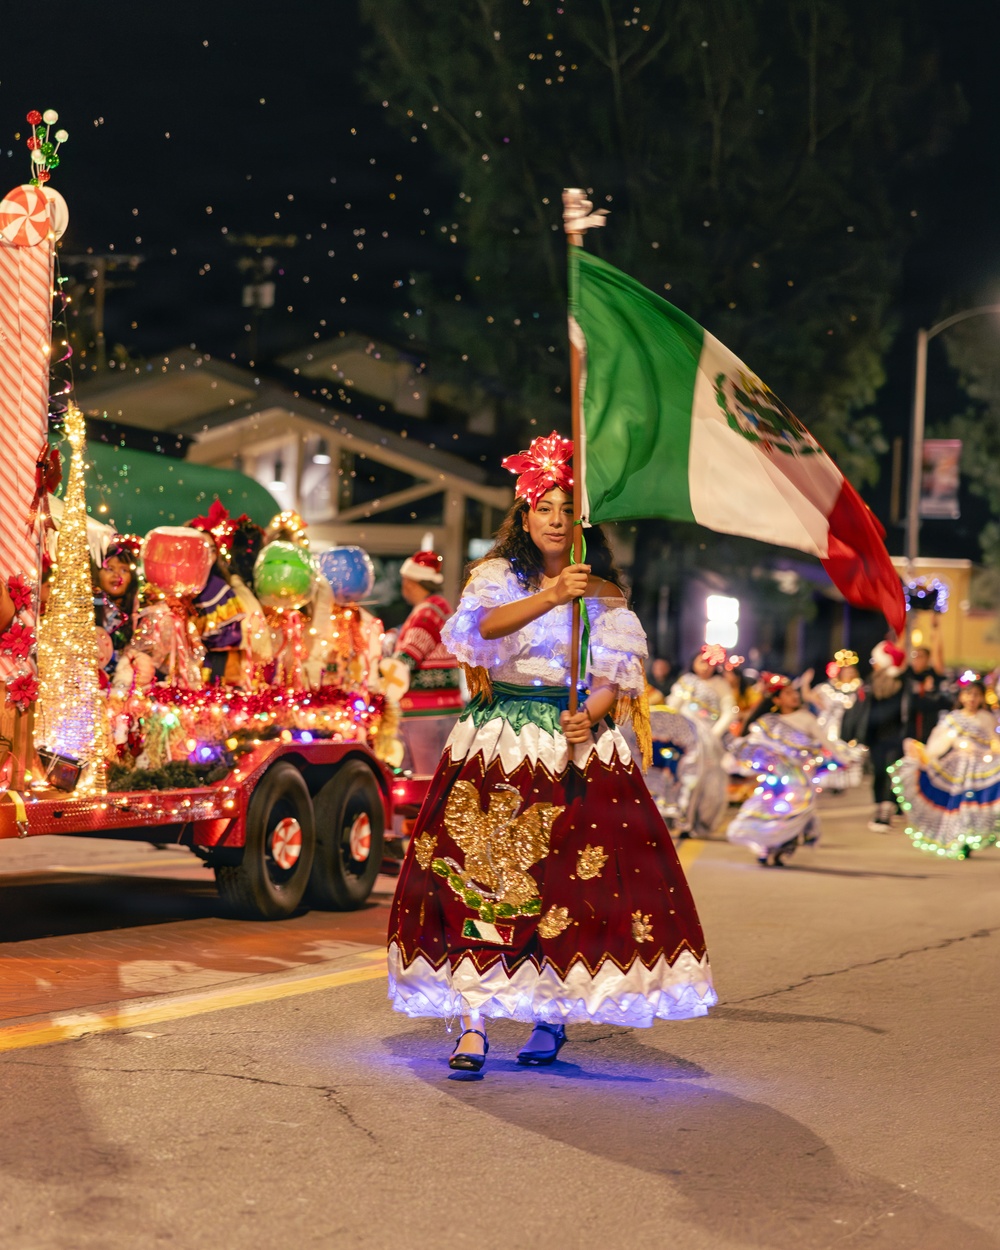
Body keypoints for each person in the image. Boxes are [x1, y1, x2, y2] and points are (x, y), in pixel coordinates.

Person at [387, 432, 716, 1073]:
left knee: (566, 885)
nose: (557, 520)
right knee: (477, 879)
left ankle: (551, 1016)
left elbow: (614, 677)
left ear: (582, 522)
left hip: (573, 747)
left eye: (568, 510)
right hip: (497, 743)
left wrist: (590, 714)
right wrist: (552, 595)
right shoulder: (495, 577)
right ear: (525, 516)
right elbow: (480, 629)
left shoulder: (606, 592)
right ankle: (473, 1023)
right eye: (545, 508)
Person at [727, 674, 838, 866]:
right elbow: (752, 746)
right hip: (775, 779)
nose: (794, 696)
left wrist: (842, 758)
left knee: (796, 813)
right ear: (777, 700)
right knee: (769, 811)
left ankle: (784, 845)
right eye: (787, 693)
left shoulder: (807, 718)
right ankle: (766, 846)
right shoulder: (767, 722)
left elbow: (826, 743)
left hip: (800, 779)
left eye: (794, 692)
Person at [893, 678, 1000, 859]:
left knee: (977, 802)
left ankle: (976, 835)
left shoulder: (987, 718)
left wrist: (992, 751)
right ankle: (958, 838)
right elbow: (939, 743)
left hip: (982, 766)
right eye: (968, 694)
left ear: (982, 698)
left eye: (976, 695)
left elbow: (994, 741)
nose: (972, 699)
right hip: (959, 767)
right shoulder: (953, 719)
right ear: (961, 697)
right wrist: (927, 758)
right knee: (959, 803)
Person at [383, 546, 463, 777]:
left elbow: (405, 660)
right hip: (443, 708)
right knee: (435, 776)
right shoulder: (439, 608)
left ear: (409, 583)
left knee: (426, 779)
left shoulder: (427, 614)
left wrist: (381, 682)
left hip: (425, 712)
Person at [841, 641, 908, 832]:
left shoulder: (901, 683)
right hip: (874, 737)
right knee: (878, 772)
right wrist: (850, 734)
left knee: (891, 772)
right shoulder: (869, 683)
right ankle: (881, 805)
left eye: (875, 660)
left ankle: (885, 811)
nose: (873, 664)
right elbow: (858, 711)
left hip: (896, 736)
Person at [810, 651, 865, 791]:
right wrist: (805, 682)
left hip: (847, 726)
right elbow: (811, 698)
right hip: (828, 725)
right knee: (827, 752)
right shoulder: (827, 689)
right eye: (846, 670)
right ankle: (826, 782)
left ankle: (841, 784)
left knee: (845, 753)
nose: (849, 673)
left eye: (851, 670)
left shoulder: (859, 689)